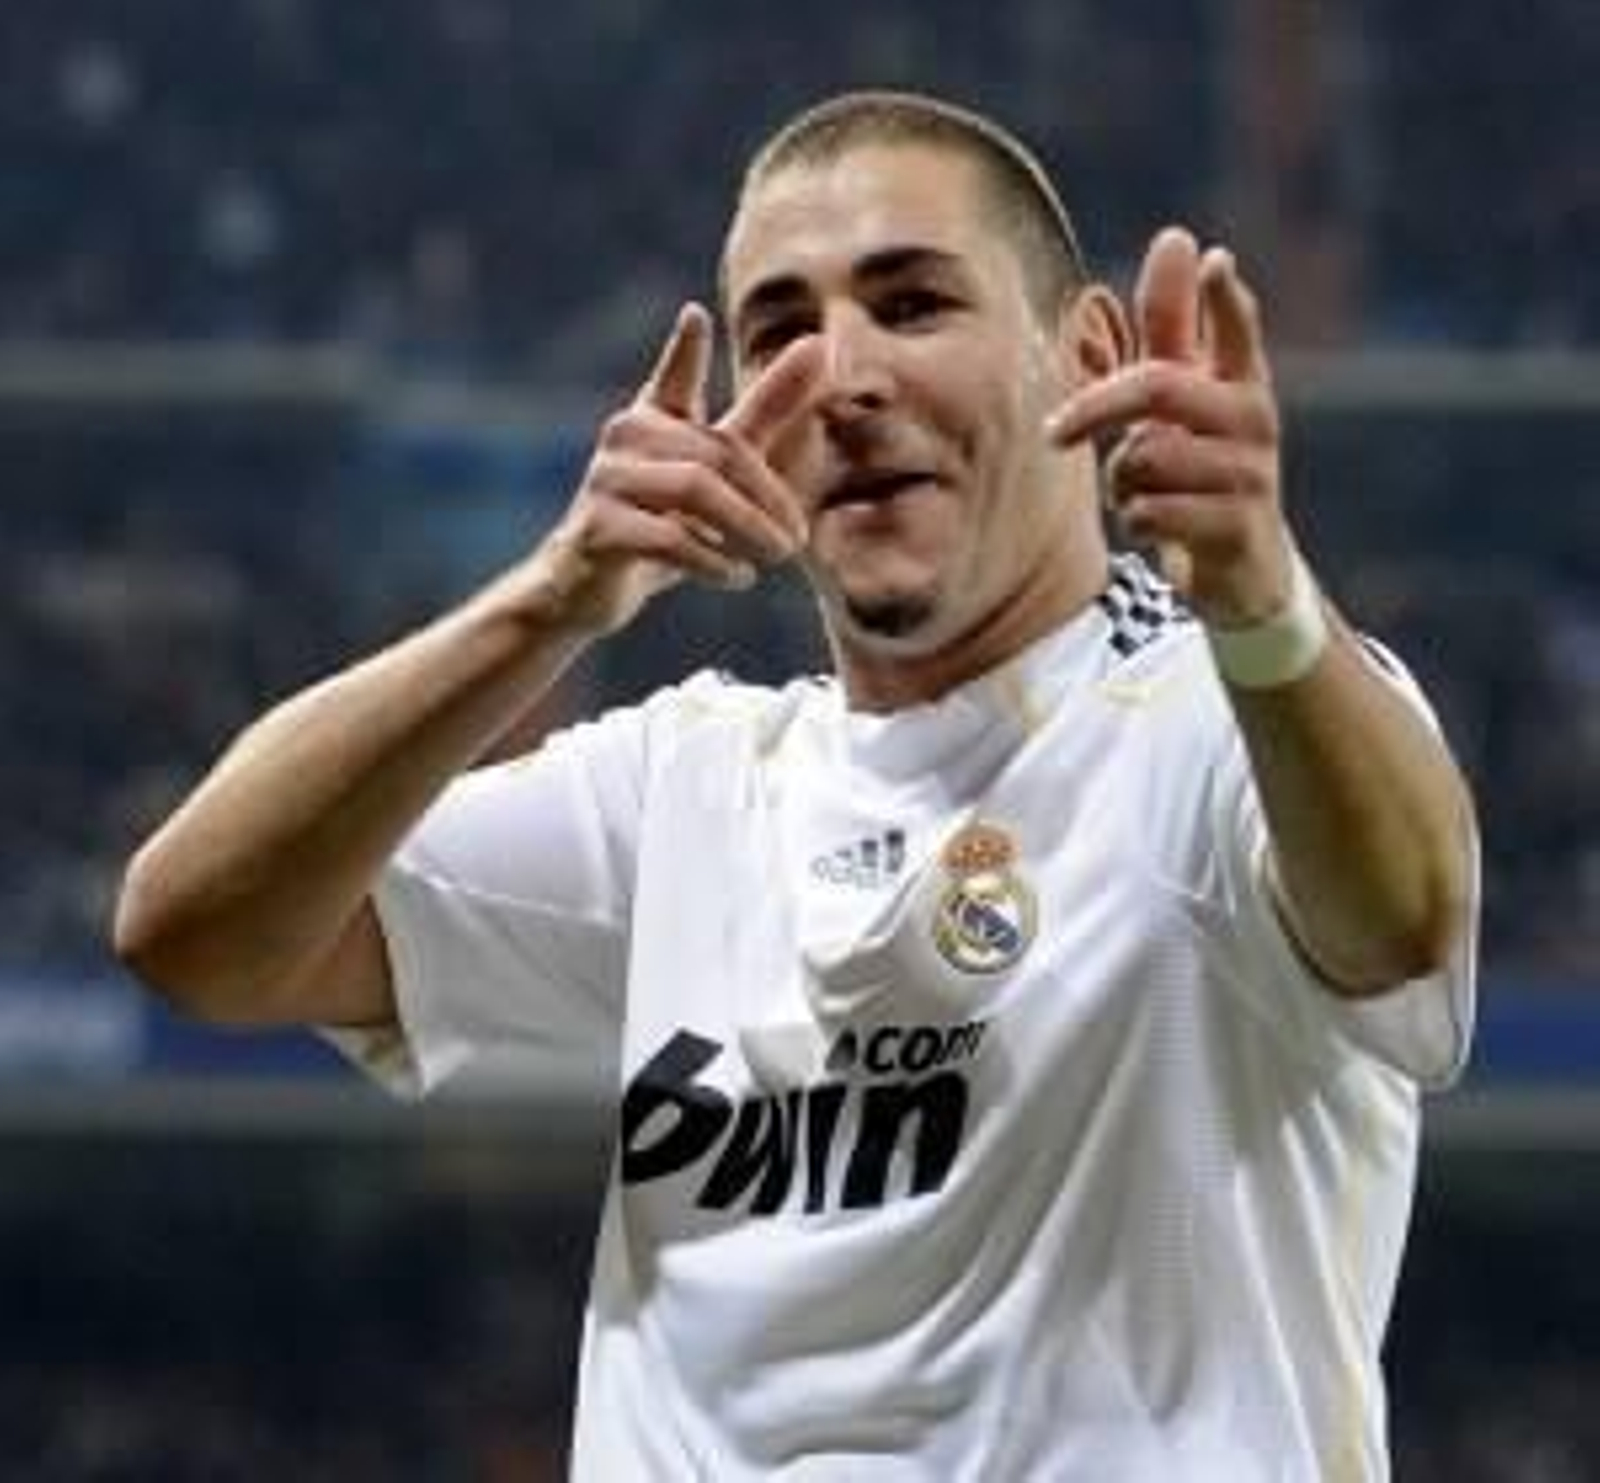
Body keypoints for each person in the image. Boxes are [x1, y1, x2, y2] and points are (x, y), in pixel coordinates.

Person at [115, 90, 1479, 1480]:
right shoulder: (688, 789)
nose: (843, 376)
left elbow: (1402, 921)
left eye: (912, 303)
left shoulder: (1219, 719)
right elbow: (196, 933)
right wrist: (547, 601)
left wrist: (1263, 605)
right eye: (779, 331)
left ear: (1085, 355)